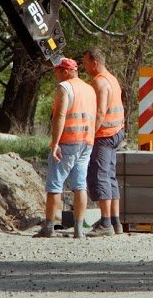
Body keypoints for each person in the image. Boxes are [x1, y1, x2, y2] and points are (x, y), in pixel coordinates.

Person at [34, 57, 95, 239]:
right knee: (80, 185)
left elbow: (60, 116)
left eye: (58, 71)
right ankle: (78, 229)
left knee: (55, 184)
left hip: (68, 140)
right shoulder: (89, 89)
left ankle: (49, 227)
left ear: (66, 71)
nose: (56, 75)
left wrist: (55, 144)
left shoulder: (65, 87)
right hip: (86, 141)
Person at [82, 48, 126, 237]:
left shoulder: (99, 82)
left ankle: (106, 223)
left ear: (94, 62)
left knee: (100, 176)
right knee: (110, 176)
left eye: (85, 63)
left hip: (104, 135)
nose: (84, 67)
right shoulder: (112, 79)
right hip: (116, 132)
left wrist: (90, 135)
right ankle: (115, 222)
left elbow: (100, 112)